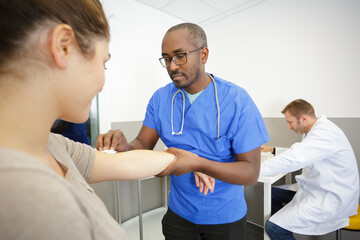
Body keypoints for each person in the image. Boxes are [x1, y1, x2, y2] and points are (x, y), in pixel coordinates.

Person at [0, 1, 198, 239]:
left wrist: (191, 161)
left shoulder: (53, 146)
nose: (102, 82)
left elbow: (128, 163)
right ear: (63, 47)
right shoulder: (35, 205)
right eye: (104, 63)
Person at [96, 22, 270, 240]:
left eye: (180, 56)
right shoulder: (160, 99)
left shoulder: (237, 101)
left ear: (203, 54)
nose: (172, 66)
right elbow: (141, 144)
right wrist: (125, 145)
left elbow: (250, 172)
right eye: (167, 59)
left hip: (224, 218)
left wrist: (198, 163)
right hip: (179, 215)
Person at [260, 99, 359, 239]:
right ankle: (285, 223)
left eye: (289, 122)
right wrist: (274, 149)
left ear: (303, 118)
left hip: (331, 197)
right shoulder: (316, 130)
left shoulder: (324, 134)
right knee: (270, 193)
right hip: (315, 189)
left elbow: (294, 158)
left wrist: (253, 169)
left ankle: (281, 226)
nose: (288, 126)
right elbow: (302, 152)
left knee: (274, 228)